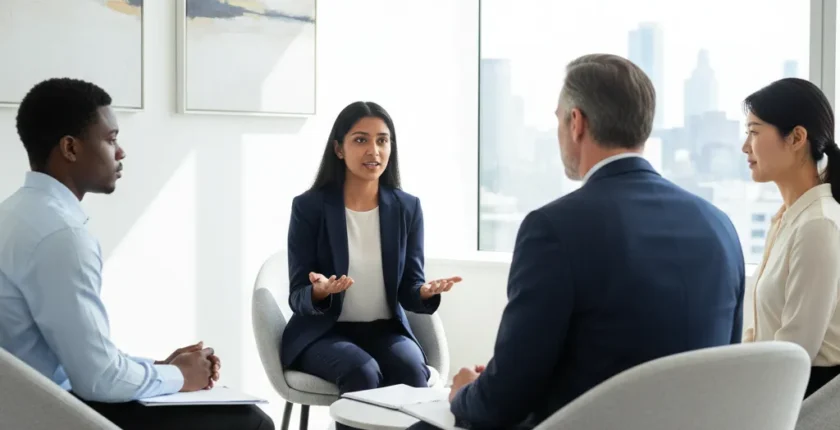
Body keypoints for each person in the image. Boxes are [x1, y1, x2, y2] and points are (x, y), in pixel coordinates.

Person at [435, 54, 745, 429]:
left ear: (577, 122)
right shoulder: (720, 227)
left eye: (558, 120)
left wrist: (464, 391)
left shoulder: (552, 228)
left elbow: (503, 403)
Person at [0, 78, 273, 430]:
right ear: (70, 148)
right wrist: (177, 375)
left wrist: (162, 369)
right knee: (252, 422)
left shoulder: (14, 214)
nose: (121, 152)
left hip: (27, 405)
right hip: (59, 414)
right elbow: (97, 380)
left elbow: (77, 357)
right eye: (111, 139)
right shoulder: (61, 235)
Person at [282, 102, 461, 415]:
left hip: (386, 330)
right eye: (361, 140)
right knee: (361, 372)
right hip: (324, 333)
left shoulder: (408, 208)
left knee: (411, 372)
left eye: (382, 140)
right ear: (339, 149)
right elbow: (298, 294)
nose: (374, 150)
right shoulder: (309, 208)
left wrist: (423, 292)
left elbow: (409, 287)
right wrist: (320, 291)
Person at [741, 78, 840, 398]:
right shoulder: (788, 217)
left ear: (797, 137)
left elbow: (795, 352)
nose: (745, 146)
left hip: (802, 400)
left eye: (754, 132)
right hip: (776, 393)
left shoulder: (818, 225)